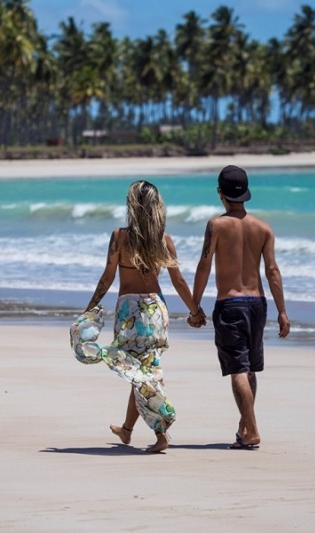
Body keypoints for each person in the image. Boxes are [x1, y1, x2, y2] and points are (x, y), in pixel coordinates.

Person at [72, 180, 206, 453]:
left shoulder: (120, 237)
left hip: (130, 312)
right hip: (156, 311)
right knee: (141, 371)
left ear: (132, 206)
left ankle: (161, 432)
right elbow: (178, 281)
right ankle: (127, 429)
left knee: (142, 373)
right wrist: (195, 310)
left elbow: (108, 276)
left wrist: (90, 308)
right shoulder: (164, 240)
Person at [190, 165, 291, 450]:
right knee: (249, 370)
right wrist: (282, 311)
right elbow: (272, 271)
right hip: (258, 304)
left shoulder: (216, 225)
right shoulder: (263, 228)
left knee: (237, 370)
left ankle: (253, 430)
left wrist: (194, 306)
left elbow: (204, 265)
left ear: (220, 194)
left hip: (230, 303)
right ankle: (244, 429)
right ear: (245, 194)